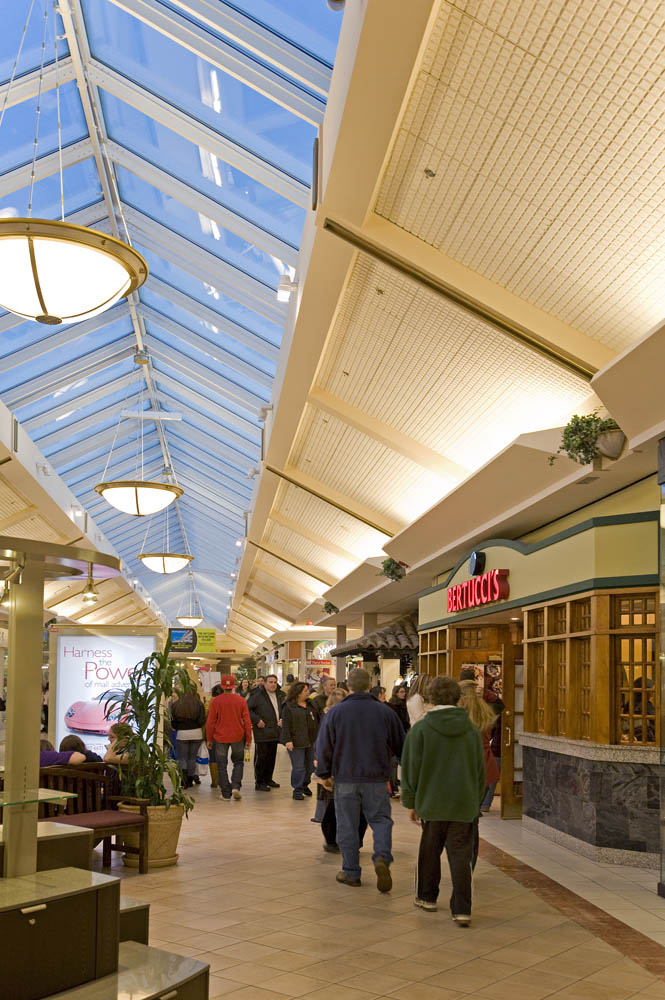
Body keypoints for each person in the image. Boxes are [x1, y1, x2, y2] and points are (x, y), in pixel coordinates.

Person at [401, 676, 485, 927]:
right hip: (463, 803)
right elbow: (479, 771)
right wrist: (476, 799)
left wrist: (411, 801)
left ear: (429, 699)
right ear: (458, 699)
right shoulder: (471, 730)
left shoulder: (422, 729)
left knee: (429, 850)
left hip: (431, 802)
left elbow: (411, 768)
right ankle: (462, 909)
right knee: (461, 856)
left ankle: (427, 897)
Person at [316, 666, 405, 891]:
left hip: (345, 778)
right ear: (369, 686)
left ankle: (351, 871)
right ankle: (382, 856)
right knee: (381, 820)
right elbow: (401, 745)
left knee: (347, 825)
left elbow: (324, 745)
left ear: (348, 686)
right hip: (376, 777)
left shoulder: (336, 712)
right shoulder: (385, 712)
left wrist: (325, 774)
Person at [458, 679, 500, 866]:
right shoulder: (485, 711)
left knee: (462, 820)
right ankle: (470, 863)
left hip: (467, 769)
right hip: (486, 768)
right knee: (472, 819)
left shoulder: (461, 715)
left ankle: (463, 861)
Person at [459, 666, 504, 812]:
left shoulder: (457, 709)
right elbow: (500, 706)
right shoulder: (485, 708)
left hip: (465, 762)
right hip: (483, 760)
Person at [206, 676, 252, 800]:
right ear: (233, 686)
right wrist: (248, 739)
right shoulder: (241, 700)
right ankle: (236, 786)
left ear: (222, 686)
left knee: (221, 764)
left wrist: (209, 739)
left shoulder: (215, 701)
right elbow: (247, 721)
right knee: (238, 762)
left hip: (220, 736)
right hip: (237, 735)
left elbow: (210, 722)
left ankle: (226, 793)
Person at [281, 681, 318, 800]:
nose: (308, 693)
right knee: (299, 767)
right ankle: (297, 789)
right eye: (305, 691)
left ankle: (304, 784)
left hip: (311, 741)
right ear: (298, 693)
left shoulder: (311, 704)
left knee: (310, 767)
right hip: (296, 742)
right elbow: (286, 725)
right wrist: (288, 740)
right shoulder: (289, 707)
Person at [248, 674, 285, 791]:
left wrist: (283, 718)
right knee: (262, 757)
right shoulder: (257, 695)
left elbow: (285, 708)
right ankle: (259, 782)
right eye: (270, 682)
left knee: (271, 756)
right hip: (262, 731)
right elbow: (247, 708)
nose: (273, 684)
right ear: (265, 683)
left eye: (275, 682)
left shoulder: (280, 695)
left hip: (275, 731)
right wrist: (256, 720)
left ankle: (268, 778)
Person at [171, 689, 206, 788]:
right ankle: (190, 780)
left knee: (182, 758)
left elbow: (173, 722)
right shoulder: (199, 704)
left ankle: (184, 779)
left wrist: (178, 726)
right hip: (196, 733)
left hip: (182, 734)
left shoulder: (176, 704)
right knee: (192, 758)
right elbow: (202, 720)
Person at [388, 685, 410, 796]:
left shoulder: (404, 705)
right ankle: (394, 785)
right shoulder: (394, 706)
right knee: (397, 761)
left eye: (404, 692)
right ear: (396, 693)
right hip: (399, 734)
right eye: (401, 692)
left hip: (404, 732)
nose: (403, 694)